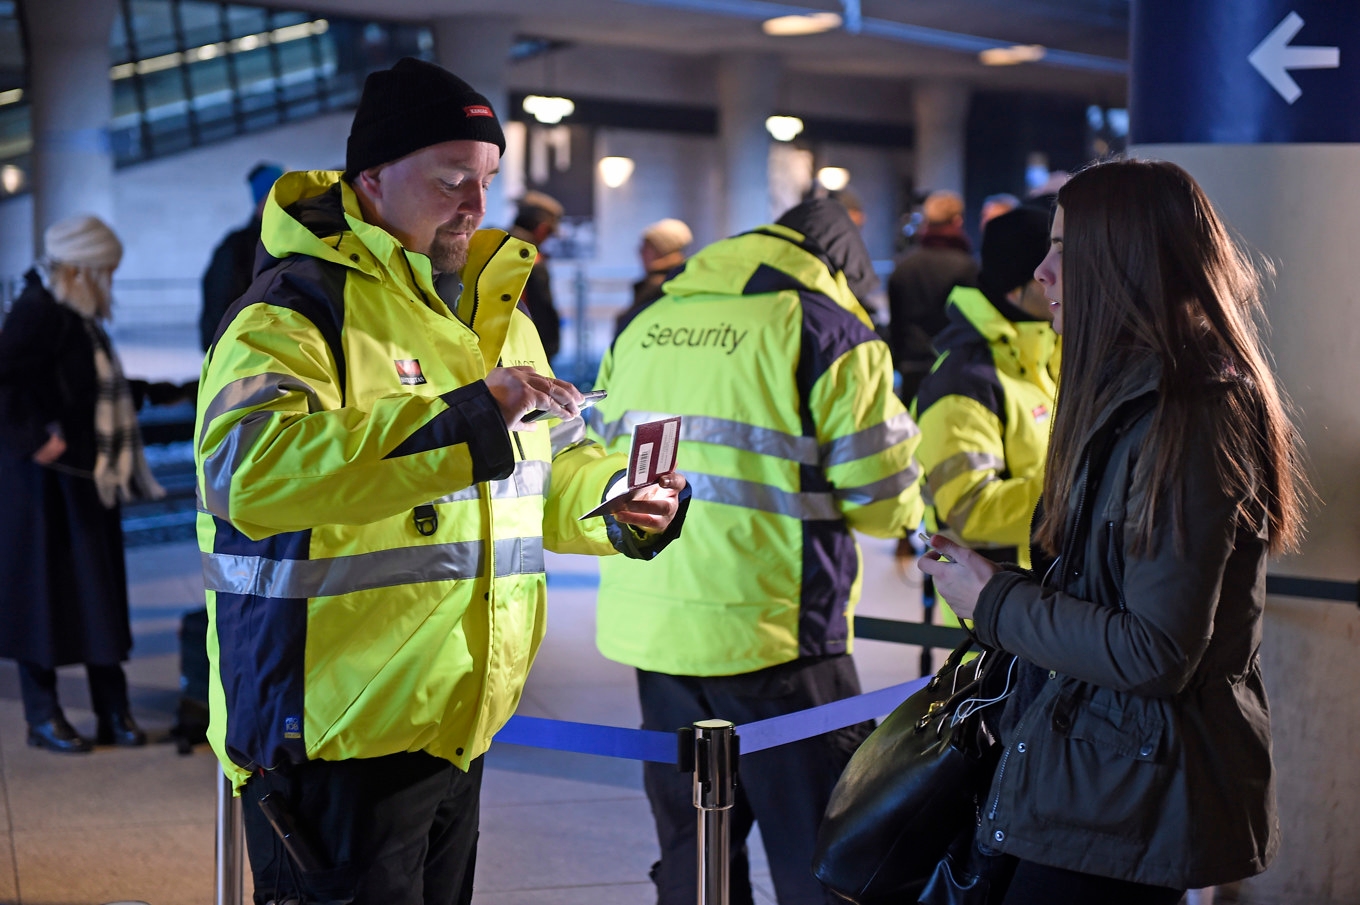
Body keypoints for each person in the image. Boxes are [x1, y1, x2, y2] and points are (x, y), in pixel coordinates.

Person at [194, 58, 688, 905]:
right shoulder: (293, 311)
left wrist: (619, 502)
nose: (476, 206)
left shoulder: (498, 314)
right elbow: (249, 474)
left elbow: (549, 467)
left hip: (456, 721)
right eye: (453, 180)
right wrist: (469, 418)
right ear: (373, 177)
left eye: (488, 180)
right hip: (334, 734)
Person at [919, 158, 1307, 904]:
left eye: (1064, 248)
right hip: (1096, 775)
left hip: (1126, 795)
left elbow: (1155, 650)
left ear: (1125, 263)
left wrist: (993, 599)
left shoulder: (1188, 416)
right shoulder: (1133, 397)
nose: (1042, 272)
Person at [588, 198, 924, 905]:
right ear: (841, 268)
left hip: (655, 627)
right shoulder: (829, 331)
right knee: (822, 859)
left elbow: (602, 459)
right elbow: (884, 506)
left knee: (694, 856)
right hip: (776, 632)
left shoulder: (648, 321)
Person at [0, 215, 167, 753]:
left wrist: (157, 391)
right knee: (42, 602)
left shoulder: (72, 312)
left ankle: (112, 710)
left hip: (83, 479)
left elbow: (89, 385)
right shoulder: (37, 310)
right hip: (43, 486)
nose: (109, 282)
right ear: (79, 269)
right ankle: (43, 717)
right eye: (104, 272)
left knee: (99, 598)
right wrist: (32, 438)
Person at [912, 207, 1057, 621]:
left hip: (1045, 604)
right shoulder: (965, 379)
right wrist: (1076, 490)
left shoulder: (1046, 354)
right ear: (1016, 289)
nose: (1063, 281)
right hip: (994, 612)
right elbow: (969, 509)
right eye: (1046, 272)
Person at [888, 189, 979, 403]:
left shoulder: (904, 266)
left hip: (911, 368)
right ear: (957, 221)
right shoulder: (967, 267)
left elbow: (895, 325)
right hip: (954, 366)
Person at [199, 161, 284, 351]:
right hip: (246, 358)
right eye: (279, 195)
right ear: (262, 201)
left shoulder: (293, 243)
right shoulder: (237, 248)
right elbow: (219, 313)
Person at [509, 190, 564, 360]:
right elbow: (543, 318)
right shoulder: (531, 260)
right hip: (523, 355)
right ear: (542, 229)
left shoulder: (489, 248)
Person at [615, 217, 693, 336]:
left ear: (661, 251)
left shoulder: (658, 286)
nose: (640, 252)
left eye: (646, 247)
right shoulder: (686, 279)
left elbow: (630, 326)